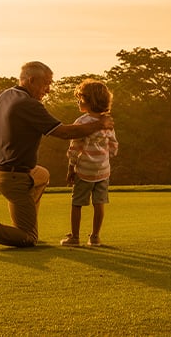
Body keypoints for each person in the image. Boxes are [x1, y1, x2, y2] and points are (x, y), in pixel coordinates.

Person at [0, 61, 114, 250]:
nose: (48, 90)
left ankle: (25, 223)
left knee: (42, 175)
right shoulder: (29, 104)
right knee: (28, 238)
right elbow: (64, 133)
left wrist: (3, 123)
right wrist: (99, 124)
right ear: (31, 80)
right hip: (12, 176)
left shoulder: (2, 96)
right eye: (46, 84)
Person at [60, 79, 118, 247]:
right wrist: (108, 156)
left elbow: (75, 147)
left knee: (77, 203)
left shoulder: (82, 122)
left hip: (84, 170)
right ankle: (95, 237)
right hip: (103, 170)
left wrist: (71, 167)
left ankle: (75, 237)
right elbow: (113, 144)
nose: (78, 101)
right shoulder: (108, 121)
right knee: (99, 203)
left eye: (81, 98)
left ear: (89, 102)